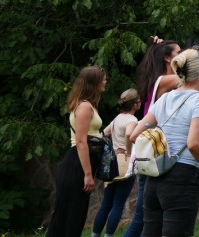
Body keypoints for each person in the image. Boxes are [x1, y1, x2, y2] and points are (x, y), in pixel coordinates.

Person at [129, 47, 199, 237]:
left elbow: (135, 134)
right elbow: (193, 143)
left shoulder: (164, 98)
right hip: (182, 177)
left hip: (155, 176)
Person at [124, 37, 181, 237]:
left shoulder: (160, 80)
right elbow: (195, 72)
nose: (182, 56)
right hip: (152, 151)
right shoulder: (165, 80)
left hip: (153, 149)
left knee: (149, 217)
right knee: (142, 218)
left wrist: (160, 47)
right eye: (178, 53)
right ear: (167, 58)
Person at [47, 66, 107, 237]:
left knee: (75, 217)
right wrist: (87, 174)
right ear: (94, 82)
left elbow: (91, 134)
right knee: (69, 218)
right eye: (103, 79)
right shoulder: (84, 106)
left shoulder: (89, 105)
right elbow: (81, 142)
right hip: (76, 166)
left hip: (80, 164)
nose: (105, 81)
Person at [90, 88, 140, 237]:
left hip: (111, 165)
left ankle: (94, 234)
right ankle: (109, 235)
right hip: (125, 164)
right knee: (118, 205)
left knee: (105, 205)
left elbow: (103, 134)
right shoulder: (132, 120)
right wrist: (129, 151)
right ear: (135, 105)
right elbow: (129, 134)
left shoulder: (117, 118)